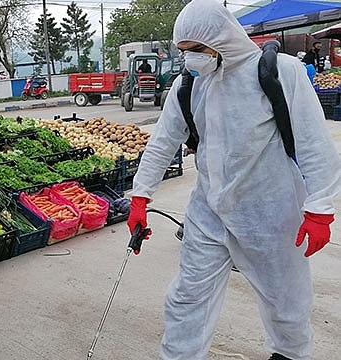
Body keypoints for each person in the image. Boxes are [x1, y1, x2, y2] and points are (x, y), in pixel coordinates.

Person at [126, 1, 341, 359]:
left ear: (221, 39)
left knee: (285, 301)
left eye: (196, 50)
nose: (190, 60)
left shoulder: (279, 72)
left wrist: (319, 208)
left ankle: (289, 354)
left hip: (270, 213)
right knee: (186, 297)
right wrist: (140, 196)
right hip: (208, 211)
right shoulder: (188, 86)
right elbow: (163, 141)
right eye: (183, 52)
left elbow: (313, 142)